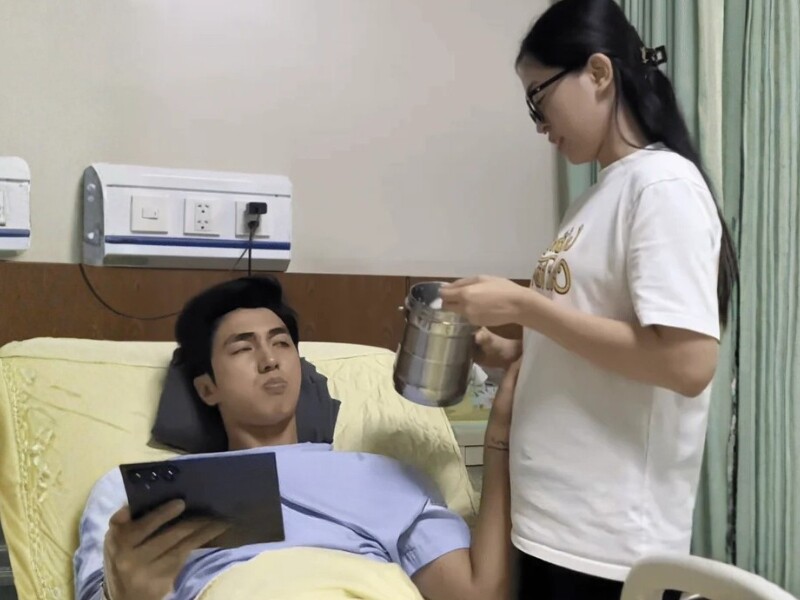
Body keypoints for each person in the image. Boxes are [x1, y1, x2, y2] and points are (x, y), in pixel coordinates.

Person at [439, 0, 739, 598]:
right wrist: (514, 348)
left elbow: (686, 363)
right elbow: (599, 340)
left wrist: (524, 307)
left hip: (608, 544)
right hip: (551, 523)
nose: (538, 123)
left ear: (599, 73)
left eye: (538, 97)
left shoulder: (662, 187)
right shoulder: (598, 197)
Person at [73, 276, 519, 600]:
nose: (269, 360)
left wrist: (500, 432)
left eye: (282, 343)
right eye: (243, 347)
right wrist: (124, 592)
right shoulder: (144, 493)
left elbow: (477, 594)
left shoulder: (389, 479)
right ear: (207, 389)